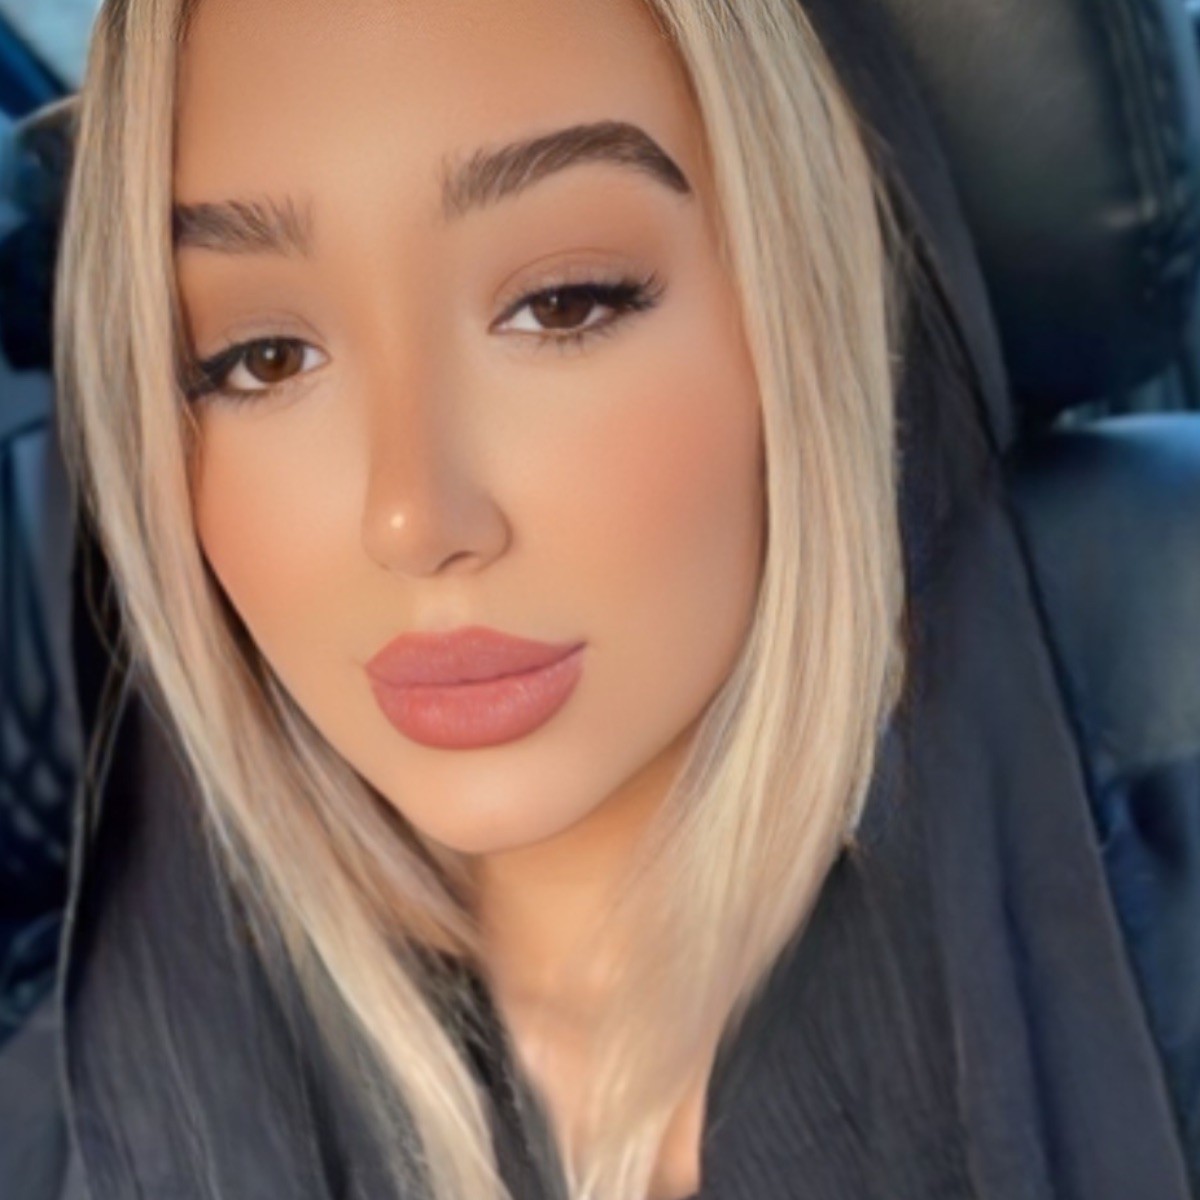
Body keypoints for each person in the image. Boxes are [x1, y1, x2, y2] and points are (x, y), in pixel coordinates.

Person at [5, 0, 1193, 1198]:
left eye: (564, 302)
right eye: (264, 359)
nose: (412, 516)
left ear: (807, 299)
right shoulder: (78, 1130)